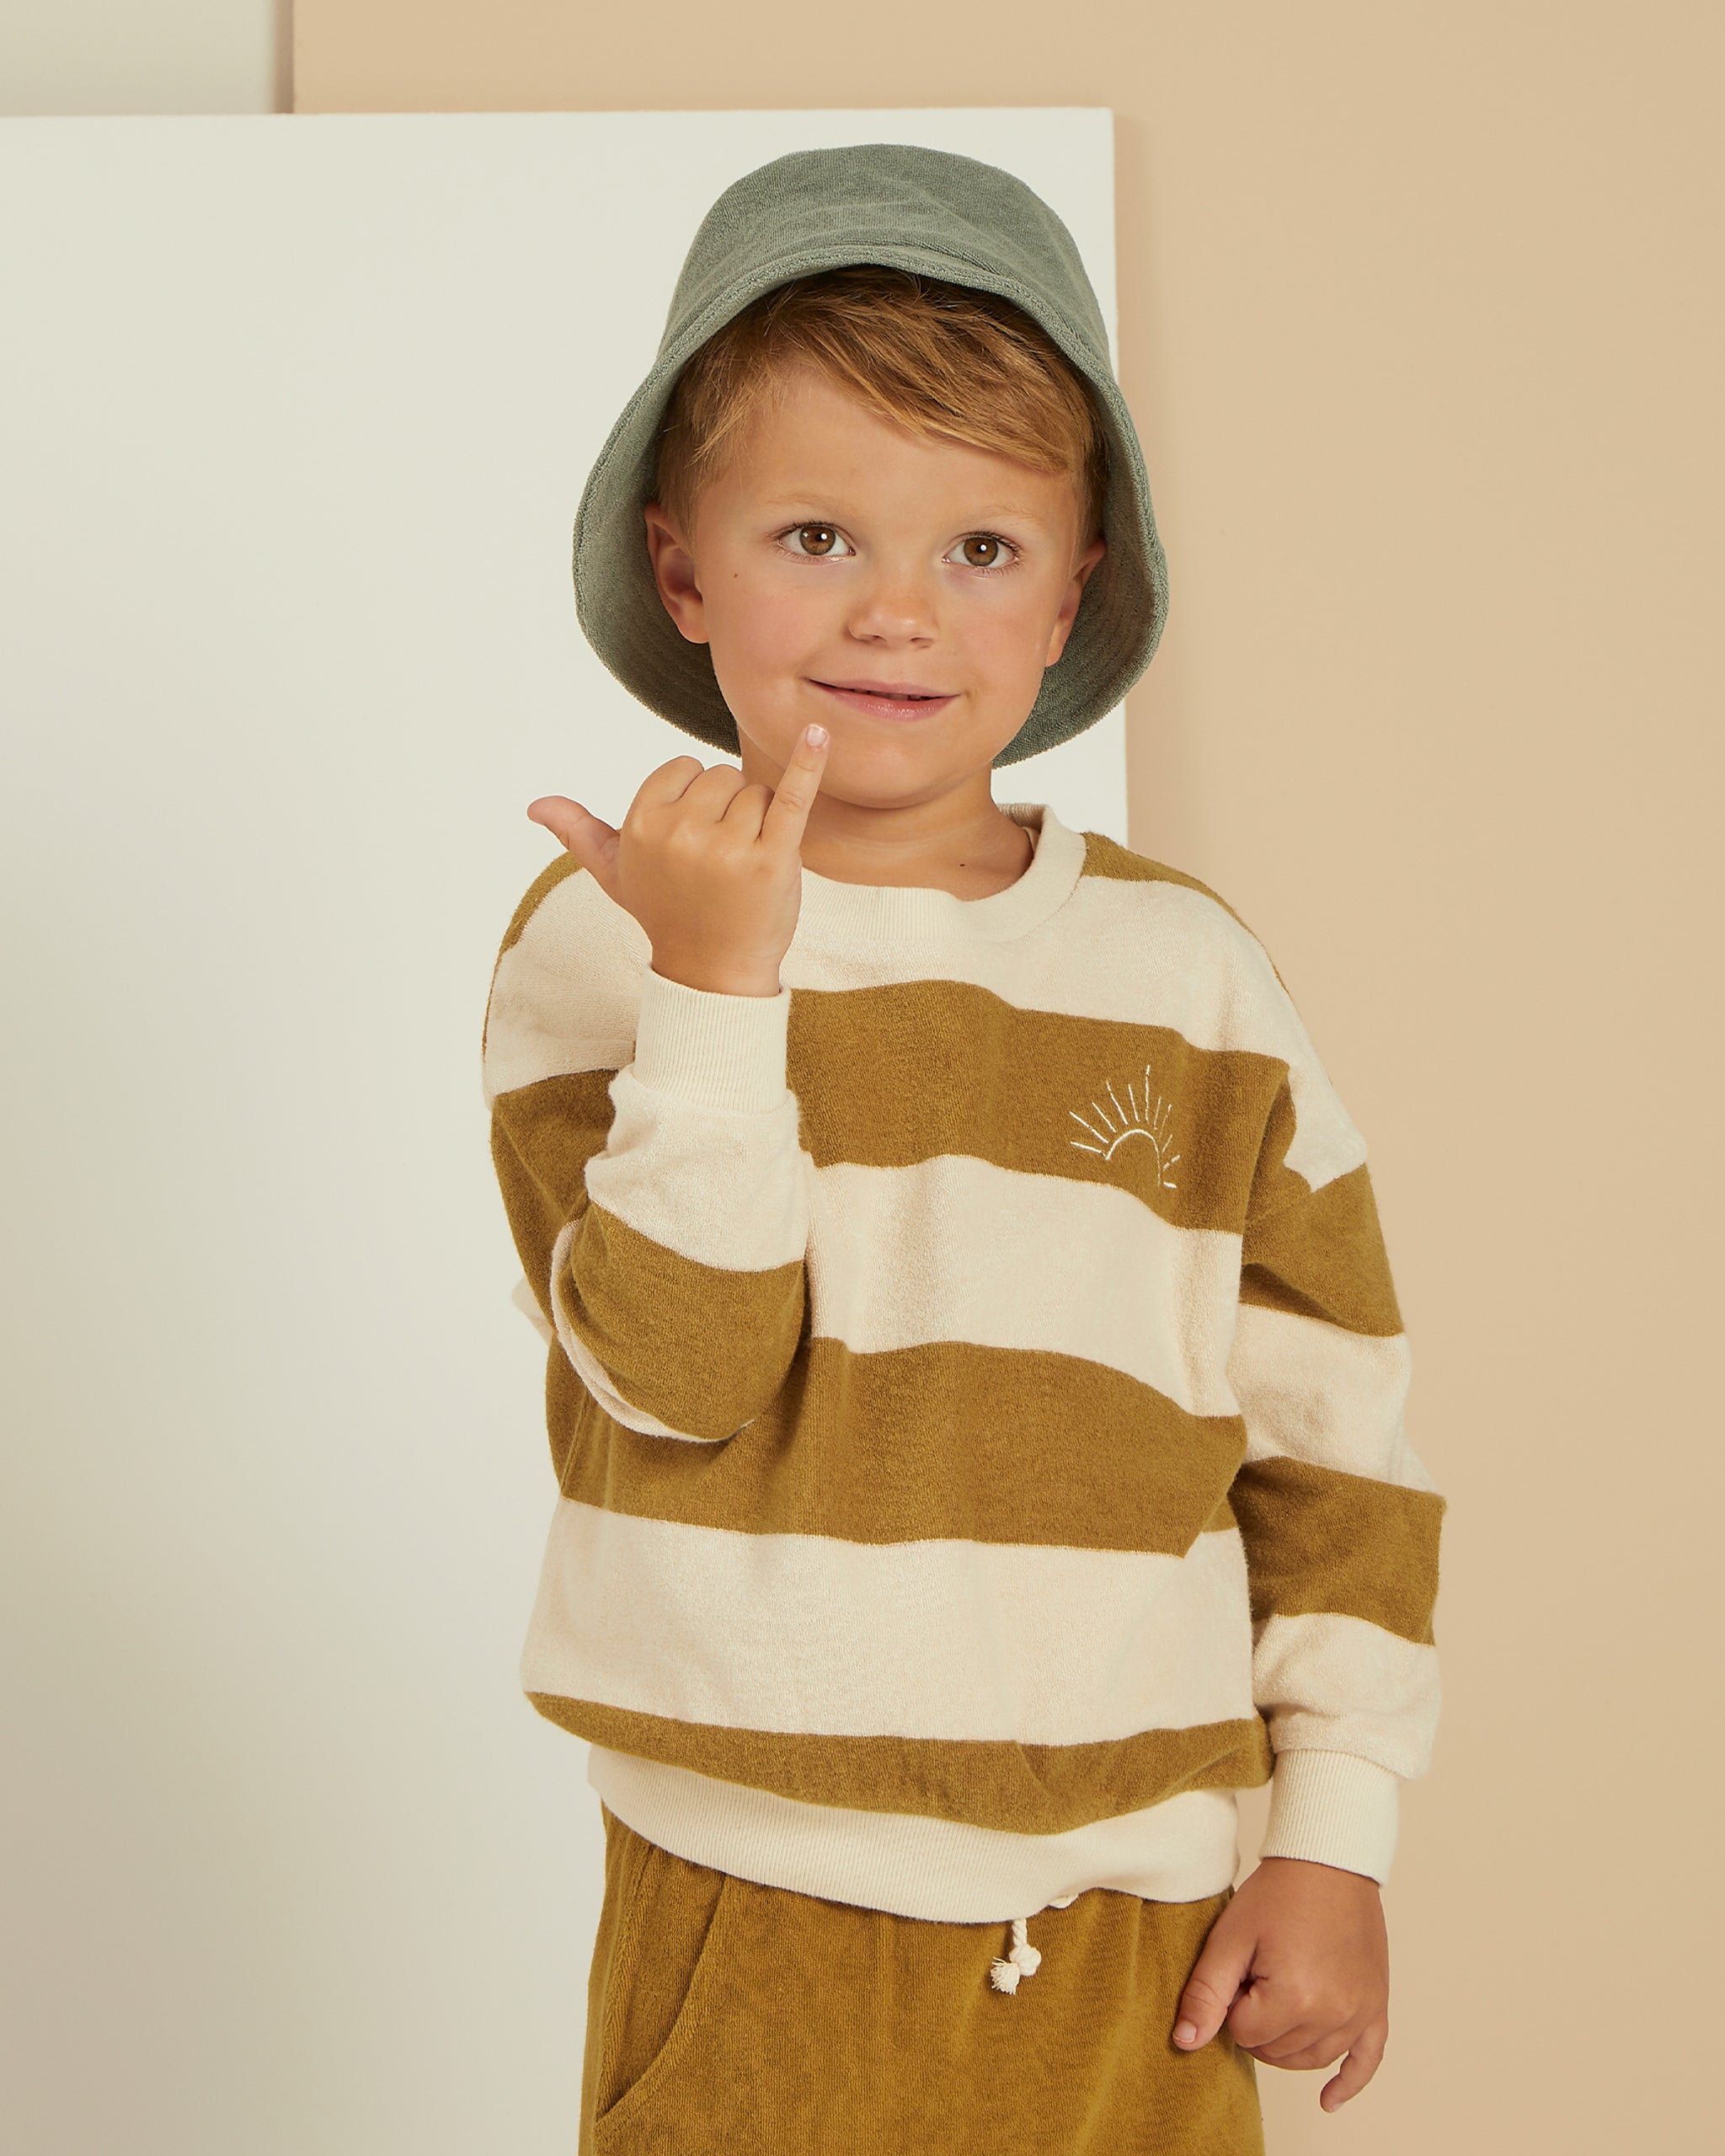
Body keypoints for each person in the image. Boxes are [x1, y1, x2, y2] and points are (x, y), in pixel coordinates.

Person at [480, 143, 1444, 2155]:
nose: (899, 612)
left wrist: (1332, 1828)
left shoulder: (1189, 975)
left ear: (1073, 586)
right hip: (749, 1887)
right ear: (682, 568)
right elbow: (677, 1371)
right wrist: (719, 988)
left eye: (983, 548)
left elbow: (1331, 1432)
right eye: (816, 533)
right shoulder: (611, 941)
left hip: (1139, 1919)